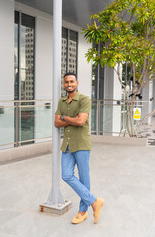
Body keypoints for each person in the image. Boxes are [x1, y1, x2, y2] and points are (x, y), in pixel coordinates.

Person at [55, 72, 104, 224]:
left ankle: (83, 212)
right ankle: (95, 202)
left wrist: (64, 118)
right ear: (63, 84)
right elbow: (57, 123)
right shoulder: (62, 101)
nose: (69, 84)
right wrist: (70, 120)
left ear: (77, 83)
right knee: (66, 175)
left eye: (71, 81)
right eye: (66, 82)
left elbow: (81, 121)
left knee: (84, 178)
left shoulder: (84, 99)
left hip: (81, 143)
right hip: (68, 145)